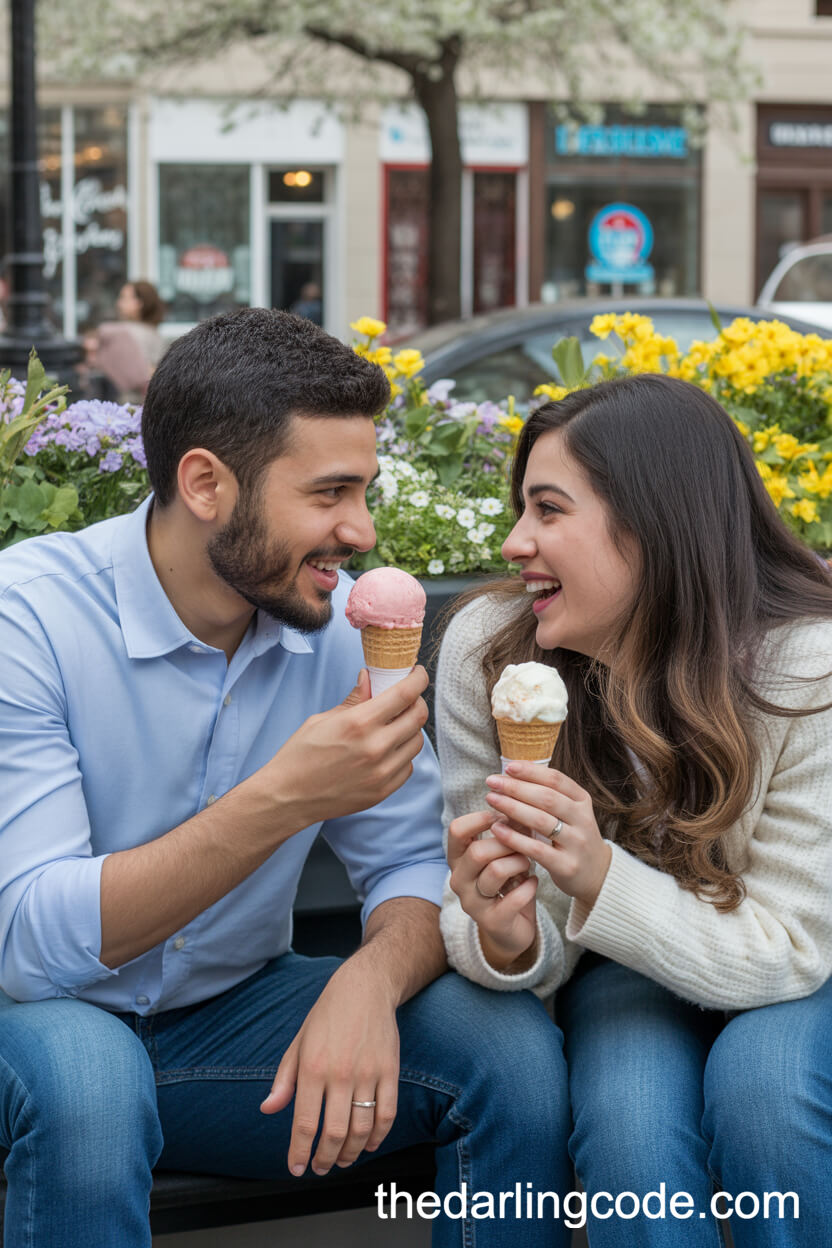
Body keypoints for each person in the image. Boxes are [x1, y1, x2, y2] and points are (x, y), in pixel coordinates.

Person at [0, 308, 572, 1248]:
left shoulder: (337, 623)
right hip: (41, 1024)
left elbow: (413, 867)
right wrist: (285, 798)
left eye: (367, 489)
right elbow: (29, 942)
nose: (361, 529)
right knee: (90, 1089)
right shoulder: (33, 621)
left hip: (232, 1021)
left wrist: (368, 982)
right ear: (205, 484)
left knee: (507, 1054)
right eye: (330, 493)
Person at [436, 373, 832, 1247]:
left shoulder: (810, 669)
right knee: (630, 1127)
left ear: (655, 522)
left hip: (802, 958)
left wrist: (599, 873)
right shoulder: (489, 658)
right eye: (520, 508)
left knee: (766, 1097)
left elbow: (793, 950)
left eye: (547, 510)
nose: (513, 542)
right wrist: (506, 934)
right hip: (625, 958)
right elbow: (496, 929)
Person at [84, 280, 167, 403]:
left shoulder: (122, 333)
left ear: (139, 303)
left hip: (121, 404)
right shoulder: (157, 336)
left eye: (124, 298)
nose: (119, 303)